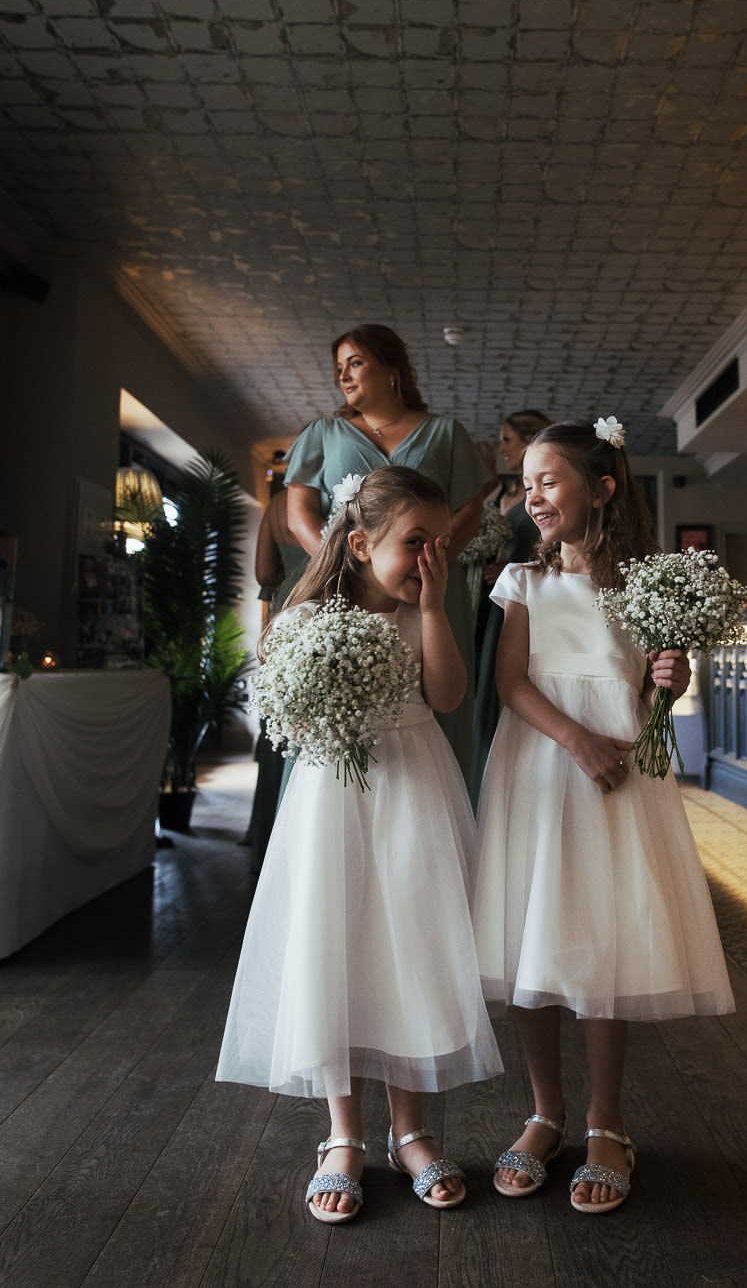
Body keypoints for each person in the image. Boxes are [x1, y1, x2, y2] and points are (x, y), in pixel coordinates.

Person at [218, 467, 503, 1224]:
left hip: (413, 793)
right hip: (331, 805)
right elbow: (280, 716)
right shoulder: (303, 620)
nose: (430, 560)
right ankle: (343, 1136)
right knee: (335, 946)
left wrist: (437, 606)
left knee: (408, 947)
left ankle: (411, 1129)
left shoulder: (422, 613)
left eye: (441, 545)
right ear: (358, 544)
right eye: (416, 544)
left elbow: (447, 699)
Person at [473, 418, 734, 1215]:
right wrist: (574, 738)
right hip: (543, 762)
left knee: (601, 939)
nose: (533, 495)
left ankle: (605, 1124)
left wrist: (671, 676)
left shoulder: (648, 583)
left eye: (549, 480)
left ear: (603, 489)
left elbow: (653, 695)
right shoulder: (524, 580)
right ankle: (545, 1110)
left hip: (620, 771)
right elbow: (510, 684)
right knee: (533, 935)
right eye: (527, 483)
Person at [283, 324, 491, 786]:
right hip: (345, 588)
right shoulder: (323, 433)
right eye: (338, 368)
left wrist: (425, 567)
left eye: (355, 362)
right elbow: (298, 512)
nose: (344, 376)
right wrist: (351, 568)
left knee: (435, 701)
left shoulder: (444, 432)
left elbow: (470, 510)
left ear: (391, 367)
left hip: (428, 586)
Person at [471, 409, 549, 806]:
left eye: (507, 440)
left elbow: (552, 550)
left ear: (530, 440)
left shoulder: (543, 499)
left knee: (515, 679)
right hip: (488, 605)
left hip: (526, 600)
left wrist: (511, 568)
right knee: (485, 683)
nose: (502, 448)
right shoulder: (502, 496)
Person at [243, 480, 307, 873]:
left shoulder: (280, 504)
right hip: (330, 601)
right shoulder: (340, 493)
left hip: (287, 607)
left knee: (281, 724)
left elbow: (264, 571)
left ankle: (268, 831)